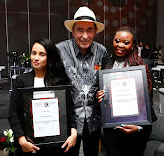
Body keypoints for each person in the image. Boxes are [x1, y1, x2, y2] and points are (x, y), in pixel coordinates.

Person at [8, 38, 77, 155]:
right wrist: (21, 140)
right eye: (34, 53)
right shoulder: (21, 81)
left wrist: (73, 134)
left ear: (50, 58)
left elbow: (70, 111)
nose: (36, 58)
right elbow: (13, 114)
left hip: (57, 144)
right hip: (30, 145)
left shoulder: (60, 81)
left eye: (42, 54)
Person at [96, 26, 156, 156]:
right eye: (117, 41)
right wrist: (99, 95)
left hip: (136, 128)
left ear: (133, 45)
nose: (120, 45)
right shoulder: (106, 63)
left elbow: (148, 101)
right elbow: (101, 91)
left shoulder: (142, 66)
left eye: (126, 42)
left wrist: (139, 127)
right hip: (112, 127)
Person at [56, 6, 107, 156]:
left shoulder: (102, 51)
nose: (85, 36)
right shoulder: (60, 50)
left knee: (92, 152)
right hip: (69, 119)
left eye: (89, 30)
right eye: (80, 30)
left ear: (95, 31)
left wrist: (104, 91)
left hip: (94, 119)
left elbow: (105, 79)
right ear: (73, 31)